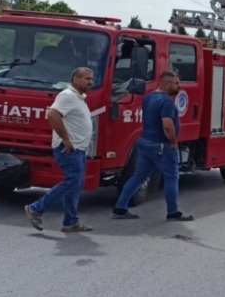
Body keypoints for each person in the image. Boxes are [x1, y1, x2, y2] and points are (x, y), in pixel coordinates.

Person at [112, 71, 193, 221]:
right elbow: (167, 125)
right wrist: (173, 142)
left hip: (145, 142)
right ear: (166, 84)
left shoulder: (148, 97)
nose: (179, 86)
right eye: (176, 83)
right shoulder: (166, 102)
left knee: (138, 176)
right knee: (172, 177)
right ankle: (173, 212)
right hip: (162, 145)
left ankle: (120, 207)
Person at [23, 68, 95, 233]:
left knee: (76, 184)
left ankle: (70, 222)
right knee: (72, 181)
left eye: (91, 79)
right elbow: (52, 114)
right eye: (86, 79)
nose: (90, 82)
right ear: (75, 79)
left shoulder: (79, 98)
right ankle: (36, 208)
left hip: (78, 149)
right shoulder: (67, 96)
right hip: (68, 149)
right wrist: (66, 139)